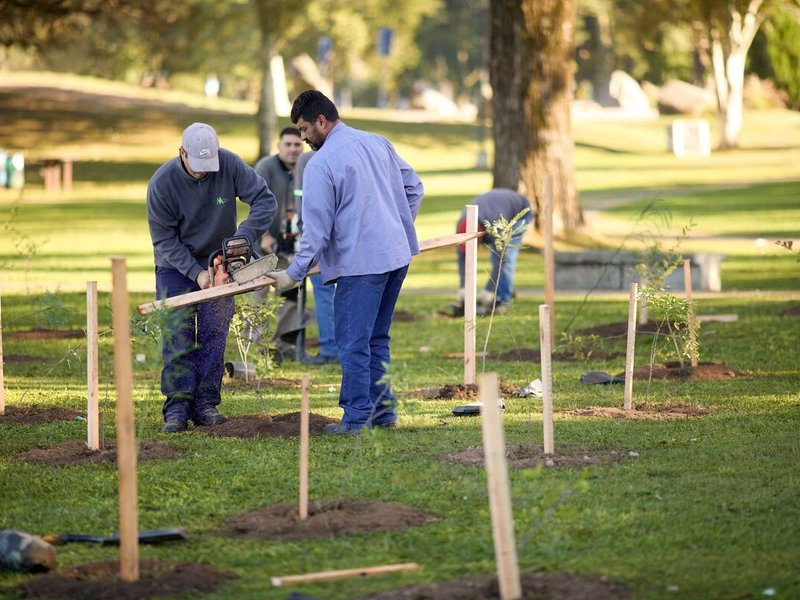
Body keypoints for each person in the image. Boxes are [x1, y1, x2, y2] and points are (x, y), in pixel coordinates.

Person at [269, 90, 424, 435]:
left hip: (361, 266)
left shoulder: (321, 164)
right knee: (376, 338)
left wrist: (292, 274)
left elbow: (316, 230)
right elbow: (415, 188)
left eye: (304, 129)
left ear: (321, 121)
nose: (303, 138)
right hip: (396, 257)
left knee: (353, 342)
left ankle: (355, 418)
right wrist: (395, 228)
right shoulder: (377, 142)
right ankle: (383, 412)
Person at [147, 122, 276, 433]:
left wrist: (243, 237)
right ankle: (177, 406)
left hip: (221, 264)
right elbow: (163, 239)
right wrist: (196, 273)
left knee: (214, 332)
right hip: (175, 266)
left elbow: (264, 200)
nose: (205, 171)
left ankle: (206, 403)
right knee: (177, 334)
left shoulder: (229, 164)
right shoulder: (162, 184)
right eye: (198, 165)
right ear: (182, 153)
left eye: (210, 164)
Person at [253, 127, 310, 361]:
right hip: (263, 247)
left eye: (297, 145)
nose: (293, 149)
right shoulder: (265, 167)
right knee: (258, 293)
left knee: (290, 294)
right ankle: (255, 345)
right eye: (288, 144)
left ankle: (284, 344)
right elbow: (255, 203)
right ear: (279, 146)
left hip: (293, 244)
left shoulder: (306, 168)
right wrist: (264, 235)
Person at [453, 188, 532, 316]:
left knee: (506, 256)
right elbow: (462, 257)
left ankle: (503, 299)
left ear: (480, 238)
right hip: (494, 208)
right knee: (497, 259)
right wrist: (464, 288)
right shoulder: (462, 223)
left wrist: (489, 290)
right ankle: (505, 288)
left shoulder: (495, 225)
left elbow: (502, 260)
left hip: (519, 211)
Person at [294, 150, 339, 365]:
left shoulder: (306, 160)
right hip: (350, 238)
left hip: (320, 239)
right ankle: (348, 348)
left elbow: (300, 200)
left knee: (323, 293)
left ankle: (330, 349)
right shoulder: (347, 152)